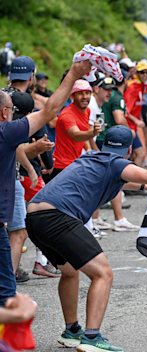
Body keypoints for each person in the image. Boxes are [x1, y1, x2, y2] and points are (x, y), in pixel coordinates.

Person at [26, 125, 147, 352]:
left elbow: (145, 182)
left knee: (70, 271)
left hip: (34, 216)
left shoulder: (92, 157)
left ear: (104, 144)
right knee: (103, 273)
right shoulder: (117, 163)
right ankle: (91, 338)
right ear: (129, 150)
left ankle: (72, 331)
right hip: (57, 216)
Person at [0, 59, 92, 306]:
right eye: (9, 112)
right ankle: (9, 299)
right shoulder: (7, 130)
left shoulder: (8, 117)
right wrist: (73, 73)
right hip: (9, 199)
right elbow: (50, 112)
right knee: (18, 236)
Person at [13, 92, 60, 278]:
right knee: (42, 215)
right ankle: (42, 261)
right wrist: (49, 165)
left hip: (16, 176)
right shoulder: (31, 121)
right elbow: (45, 145)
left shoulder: (7, 120)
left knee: (15, 224)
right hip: (28, 175)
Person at [52, 80, 101, 179]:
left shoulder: (87, 110)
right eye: (80, 93)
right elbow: (75, 135)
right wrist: (93, 133)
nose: (85, 97)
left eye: (87, 93)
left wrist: (88, 149)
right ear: (72, 96)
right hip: (62, 166)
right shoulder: (67, 114)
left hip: (76, 163)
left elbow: (83, 131)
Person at [124, 61, 147, 167]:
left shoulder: (140, 86)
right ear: (136, 73)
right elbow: (125, 110)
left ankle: (132, 180)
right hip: (128, 126)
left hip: (133, 127)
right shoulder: (132, 88)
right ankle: (133, 180)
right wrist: (136, 120)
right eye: (142, 72)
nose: (145, 75)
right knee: (140, 153)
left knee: (136, 155)